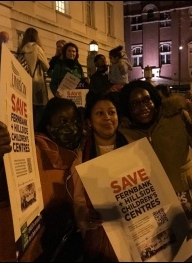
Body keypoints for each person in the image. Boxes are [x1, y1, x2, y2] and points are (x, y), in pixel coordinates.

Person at [0, 97, 85, 262]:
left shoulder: (78, 160)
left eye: (75, 121)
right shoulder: (32, 151)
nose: (70, 127)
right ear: (48, 125)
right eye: (63, 121)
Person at [118, 80, 192, 262]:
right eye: (135, 104)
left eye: (146, 100)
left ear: (155, 100)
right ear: (127, 109)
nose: (143, 107)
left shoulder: (176, 117)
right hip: (154, 214)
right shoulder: (124, 133)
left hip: (189, 202)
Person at [68, 91, 129, 261]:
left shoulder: (134, 148)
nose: (107, 118)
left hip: (133, 233)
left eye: (111, 112)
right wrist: (85, 216)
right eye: (100, 113)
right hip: (99, 238)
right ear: (89, 121)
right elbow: (78, 199)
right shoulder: (81, 156)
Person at [18, 27, 49, 131]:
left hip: (25, 84)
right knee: (40, 112)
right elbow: (46, 66)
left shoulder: (21, 50)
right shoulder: (36, 48)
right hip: (37, 85)